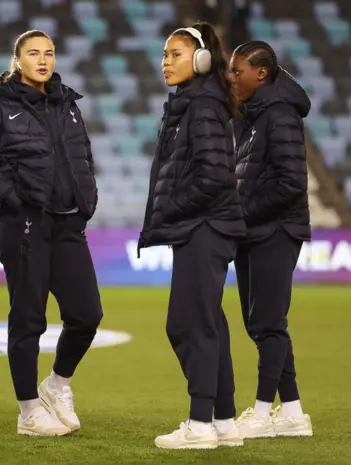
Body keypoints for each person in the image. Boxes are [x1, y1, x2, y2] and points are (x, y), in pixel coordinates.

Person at [0, 30, 102, 437]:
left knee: (87, 315)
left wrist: (86, 201)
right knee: (28, 319)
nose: (43, 60)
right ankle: (29, 411)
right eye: (33, 53)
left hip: (67, 223)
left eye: (49, 53)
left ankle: (56, 386)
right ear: (18, 60)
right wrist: (14, 196)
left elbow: (82, 155)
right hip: (23, 225)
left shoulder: (69, 104)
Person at [138, 22, 246, 450]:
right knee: (209, 324)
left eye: (176, 54)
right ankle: (222, 421)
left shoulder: (201, 106)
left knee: (187, 325)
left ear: (200, 60)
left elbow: (215, 177)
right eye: (164, 55)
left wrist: (171, 208)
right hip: (206, 227)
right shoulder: (193, 103)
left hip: (205, 226)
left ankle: (200, 423)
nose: (166, 62)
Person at [229, 41, 313, 438]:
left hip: (276, 230)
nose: (231, 77)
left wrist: (242, 213)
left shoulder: (279, 115)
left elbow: (291, 184)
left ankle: (263, 414)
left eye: (237, 70)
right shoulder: (252, 114)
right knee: (260, 323)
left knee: (267, 323)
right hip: (255, 230)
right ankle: (293, 413)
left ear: (260, 74)